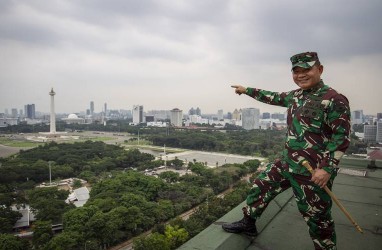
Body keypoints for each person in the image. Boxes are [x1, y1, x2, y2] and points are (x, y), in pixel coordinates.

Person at [222, 52, 351, 250]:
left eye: (306, 70)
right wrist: (246, 90)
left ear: (320, 69)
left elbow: (340, 137)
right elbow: (272, 97)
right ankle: (248, 223)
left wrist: (326, 169)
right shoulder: (296, 96)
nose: (301, 75)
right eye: (296, 71)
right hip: (288, 162)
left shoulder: (334, 99)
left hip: (312, 170)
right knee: (261, 185)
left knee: (317, 217)